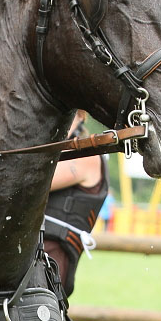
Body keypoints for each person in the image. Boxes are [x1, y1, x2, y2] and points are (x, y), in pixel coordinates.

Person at [43, 111, 109, 297]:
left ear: (80, 116)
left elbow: (28, 183)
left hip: (51, 266)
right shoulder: (48, 155)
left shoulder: (86, 157)